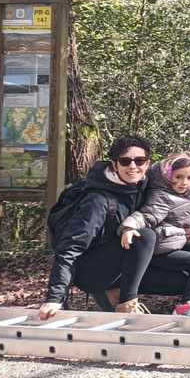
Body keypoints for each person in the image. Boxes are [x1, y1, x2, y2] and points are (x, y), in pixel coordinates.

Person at [39, 135, 157, 319]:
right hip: (89, 270)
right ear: (114, 165)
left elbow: (181, 170)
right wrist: (55, 297)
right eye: (125, 161)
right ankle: (124, 302)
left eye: (139, 161)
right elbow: (70, 248)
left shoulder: (143, 186)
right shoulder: (98, 201)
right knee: (145, 236)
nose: (133, 167)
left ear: (147, 163)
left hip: (119, 260)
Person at [118, 152, 190, 317]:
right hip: (161, 249)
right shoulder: (162, 196)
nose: (183, 182)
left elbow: (186, 218)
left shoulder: (189, 194)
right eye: (178, 177)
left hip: (174, 244)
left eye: (189, 178)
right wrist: (127, 228)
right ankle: (185, 306)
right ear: (169, 175)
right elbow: (146, 216)